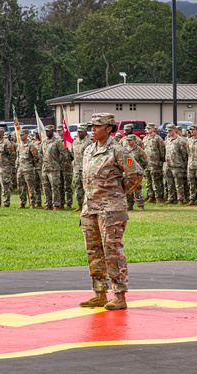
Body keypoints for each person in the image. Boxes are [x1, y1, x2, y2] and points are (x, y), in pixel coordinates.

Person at [78, 113, 143, 311]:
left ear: (108, 128)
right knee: (94, 251)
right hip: (91, 208)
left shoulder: (117, 150)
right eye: (92, 126)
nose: (93, 130)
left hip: (111, 211)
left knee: (112, 251)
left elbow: (136, 174)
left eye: (97, 126)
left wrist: (119, 192)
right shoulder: (89, 149)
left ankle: (119, 294)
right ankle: (99, 292)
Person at [40, 125, 67, 210]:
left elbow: (64, 154)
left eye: (48, 131)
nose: (47, 133)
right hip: (45, 168)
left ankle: (56, 204)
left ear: (52, 131)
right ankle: (47, 204)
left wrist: (57, 162)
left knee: (55, 187)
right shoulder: (44, 142)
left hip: (54, 168)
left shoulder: (57, 142)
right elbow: (41, 153)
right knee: (45, 187)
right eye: (46, 131)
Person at [0, 127, 15, 207]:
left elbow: (12, 155)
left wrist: (9, 166)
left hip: (4, 168)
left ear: (1, 133)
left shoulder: (7, 143)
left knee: (5, 186)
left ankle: (6, 203)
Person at [70, 125, 93, 211]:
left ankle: (88, 205)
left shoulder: (89, 142)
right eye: (78, 132)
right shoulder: (75, 142)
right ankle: (79, 204)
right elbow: (72, 153)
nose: (79, 133)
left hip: (86, 168)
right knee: (77, 186)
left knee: (87, 187)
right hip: (77, 168)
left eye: (81, 132)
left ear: (85, 132)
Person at [15, 131, 40, 209]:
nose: (21, 136)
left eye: (22, 135)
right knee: (20, 187)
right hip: (20, 169)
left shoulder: (31, 146)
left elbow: (36, 157)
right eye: (20, 135)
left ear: (26, 135)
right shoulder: (19, 146)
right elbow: (18, 157)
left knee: (31, 187)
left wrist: (32, 165)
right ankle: (22, 203)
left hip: (28, 169)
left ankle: (32, 203)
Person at [124, 134, 147, 210]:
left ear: (134, 140)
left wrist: (140, 168)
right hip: (127, 172)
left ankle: (140, 205)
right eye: (127, 140)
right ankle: (129, 205)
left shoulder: (139, 149)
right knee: (128, 188)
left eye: (130, 140)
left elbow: (145, 161)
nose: (128, 142)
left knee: (137, 188)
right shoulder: (124, 149)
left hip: (136, 172)